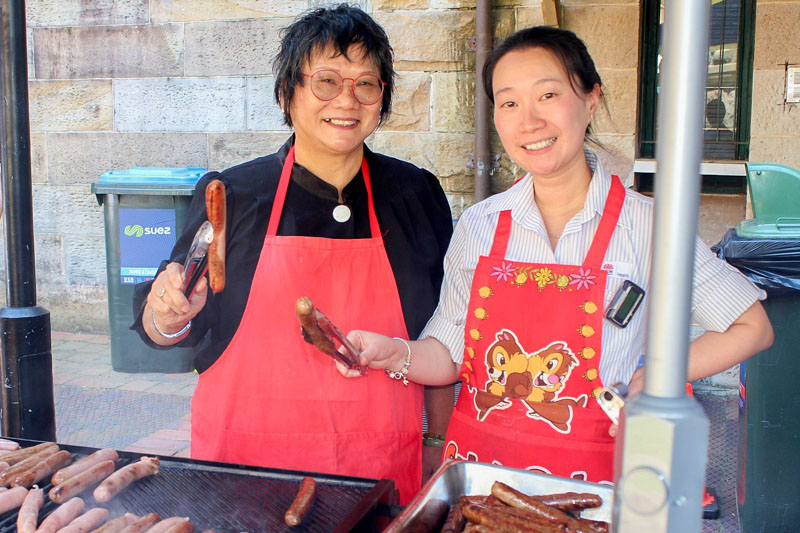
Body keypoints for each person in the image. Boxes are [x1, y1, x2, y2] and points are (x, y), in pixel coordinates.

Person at [337, 25, 773, 484]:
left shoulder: (651, 226)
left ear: (590, 99)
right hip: (481, 481)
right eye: (509, 103)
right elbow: (448, 355)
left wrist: (660, 374)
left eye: (548, 95)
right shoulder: (480, 225)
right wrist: (395, 353)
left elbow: (751, 327)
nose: (529, 121)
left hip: (592, 488)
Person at [131, 4, 453, 503]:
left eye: (366, 83)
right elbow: (166, 326)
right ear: (288, 92)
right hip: (246, 473)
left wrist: (437, 443)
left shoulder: (415, 195)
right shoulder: (232, 196)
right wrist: (169, 313)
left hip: (382, 472)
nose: (347, 99)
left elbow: (444, 334)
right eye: (325, 80)